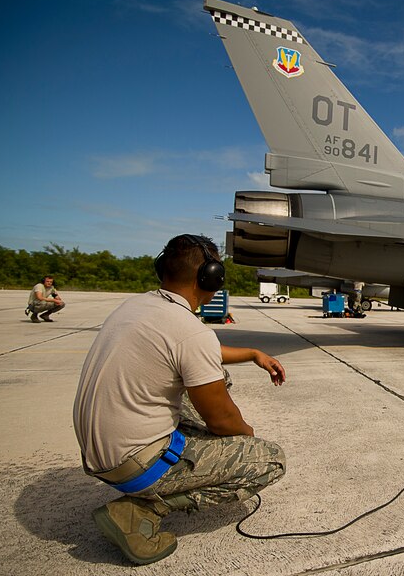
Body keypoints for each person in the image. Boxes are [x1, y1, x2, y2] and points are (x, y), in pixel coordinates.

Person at [73, 234, 286, 565]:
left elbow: (197, 351)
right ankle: (141, 509)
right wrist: (244, 439)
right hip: (133, 464)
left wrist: (252, 354)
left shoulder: (137, 306)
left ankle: (156, 476)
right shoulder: (189, 329)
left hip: (99, 451)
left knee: (215, 375)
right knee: (269, 460)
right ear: (210, 278)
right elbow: (222, 420)